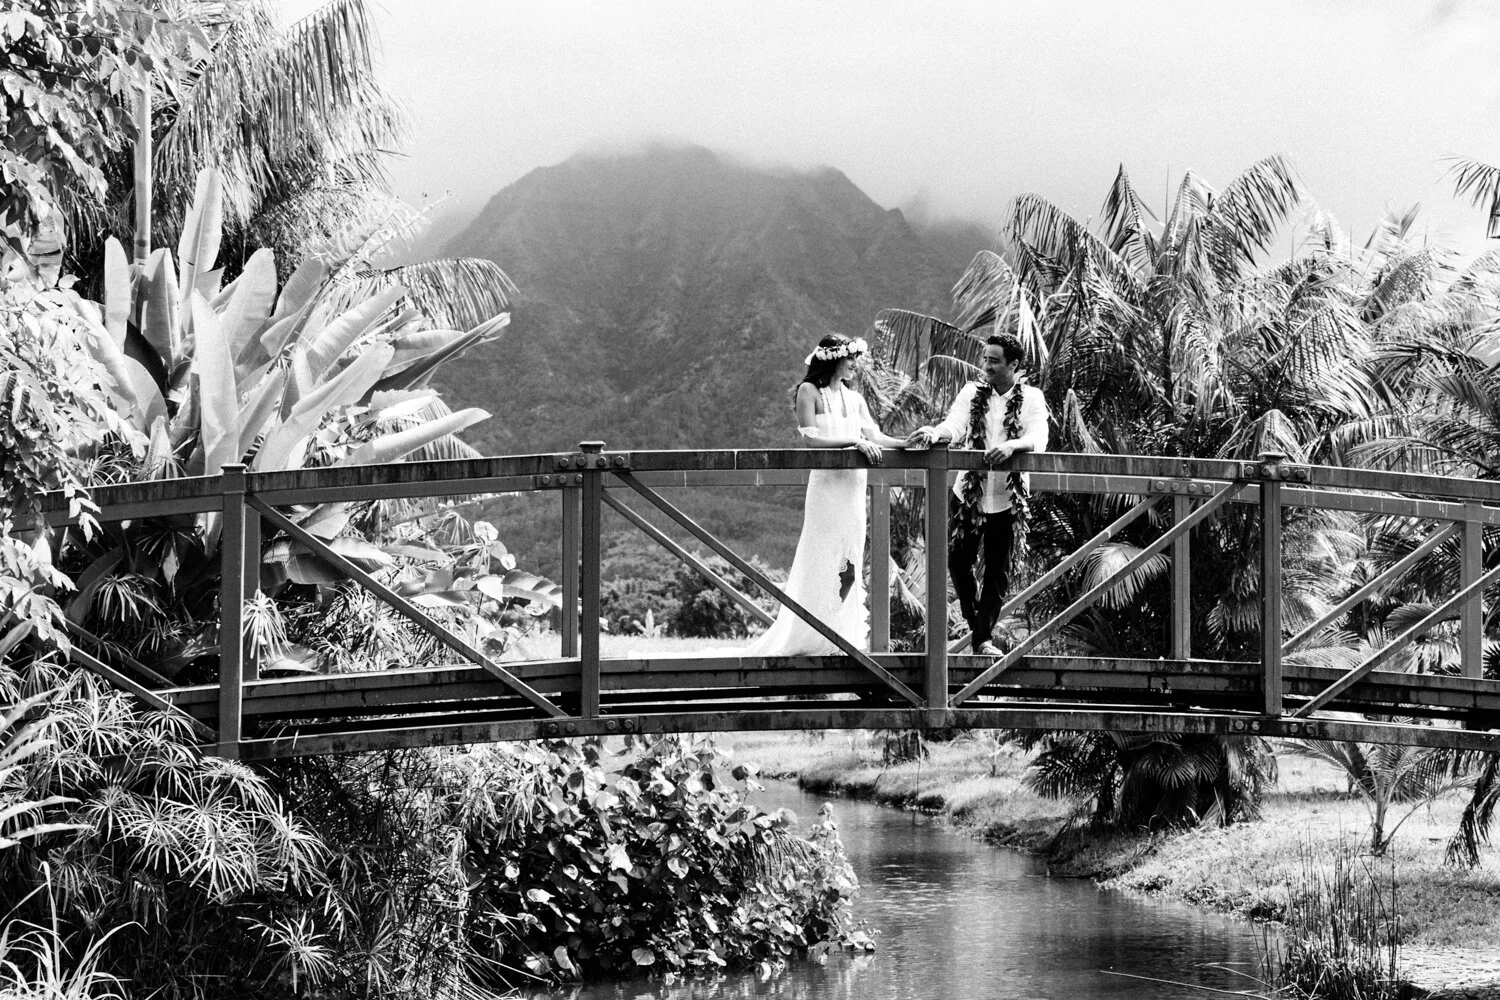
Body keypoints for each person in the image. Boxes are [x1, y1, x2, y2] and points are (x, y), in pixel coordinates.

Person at [744, 333, 909, 656]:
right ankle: (815, 634)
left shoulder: (855, 399)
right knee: (822, 561)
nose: (855, 365)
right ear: (834, 359)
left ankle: (832, 633)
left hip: (852, 490)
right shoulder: (809, 392)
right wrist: (854, 442)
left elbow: (876, 436)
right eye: (851, 359)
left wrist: (906, 443)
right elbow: (811, 440)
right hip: (826, 490)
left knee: (849, 565)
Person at [906, 333, 1049, 655]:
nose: (986, 365)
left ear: (1013, 364)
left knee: (998, 571)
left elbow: (1039, 435)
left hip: (1008, 496)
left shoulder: (1032, 397)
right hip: (969, 492)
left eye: (994, 361)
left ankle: (982, 639)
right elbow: (954, 424)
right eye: (985, 359)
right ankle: (977, 627)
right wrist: (935, 433)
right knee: (958, 562)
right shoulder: (971, 392)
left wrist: (1013, 445)